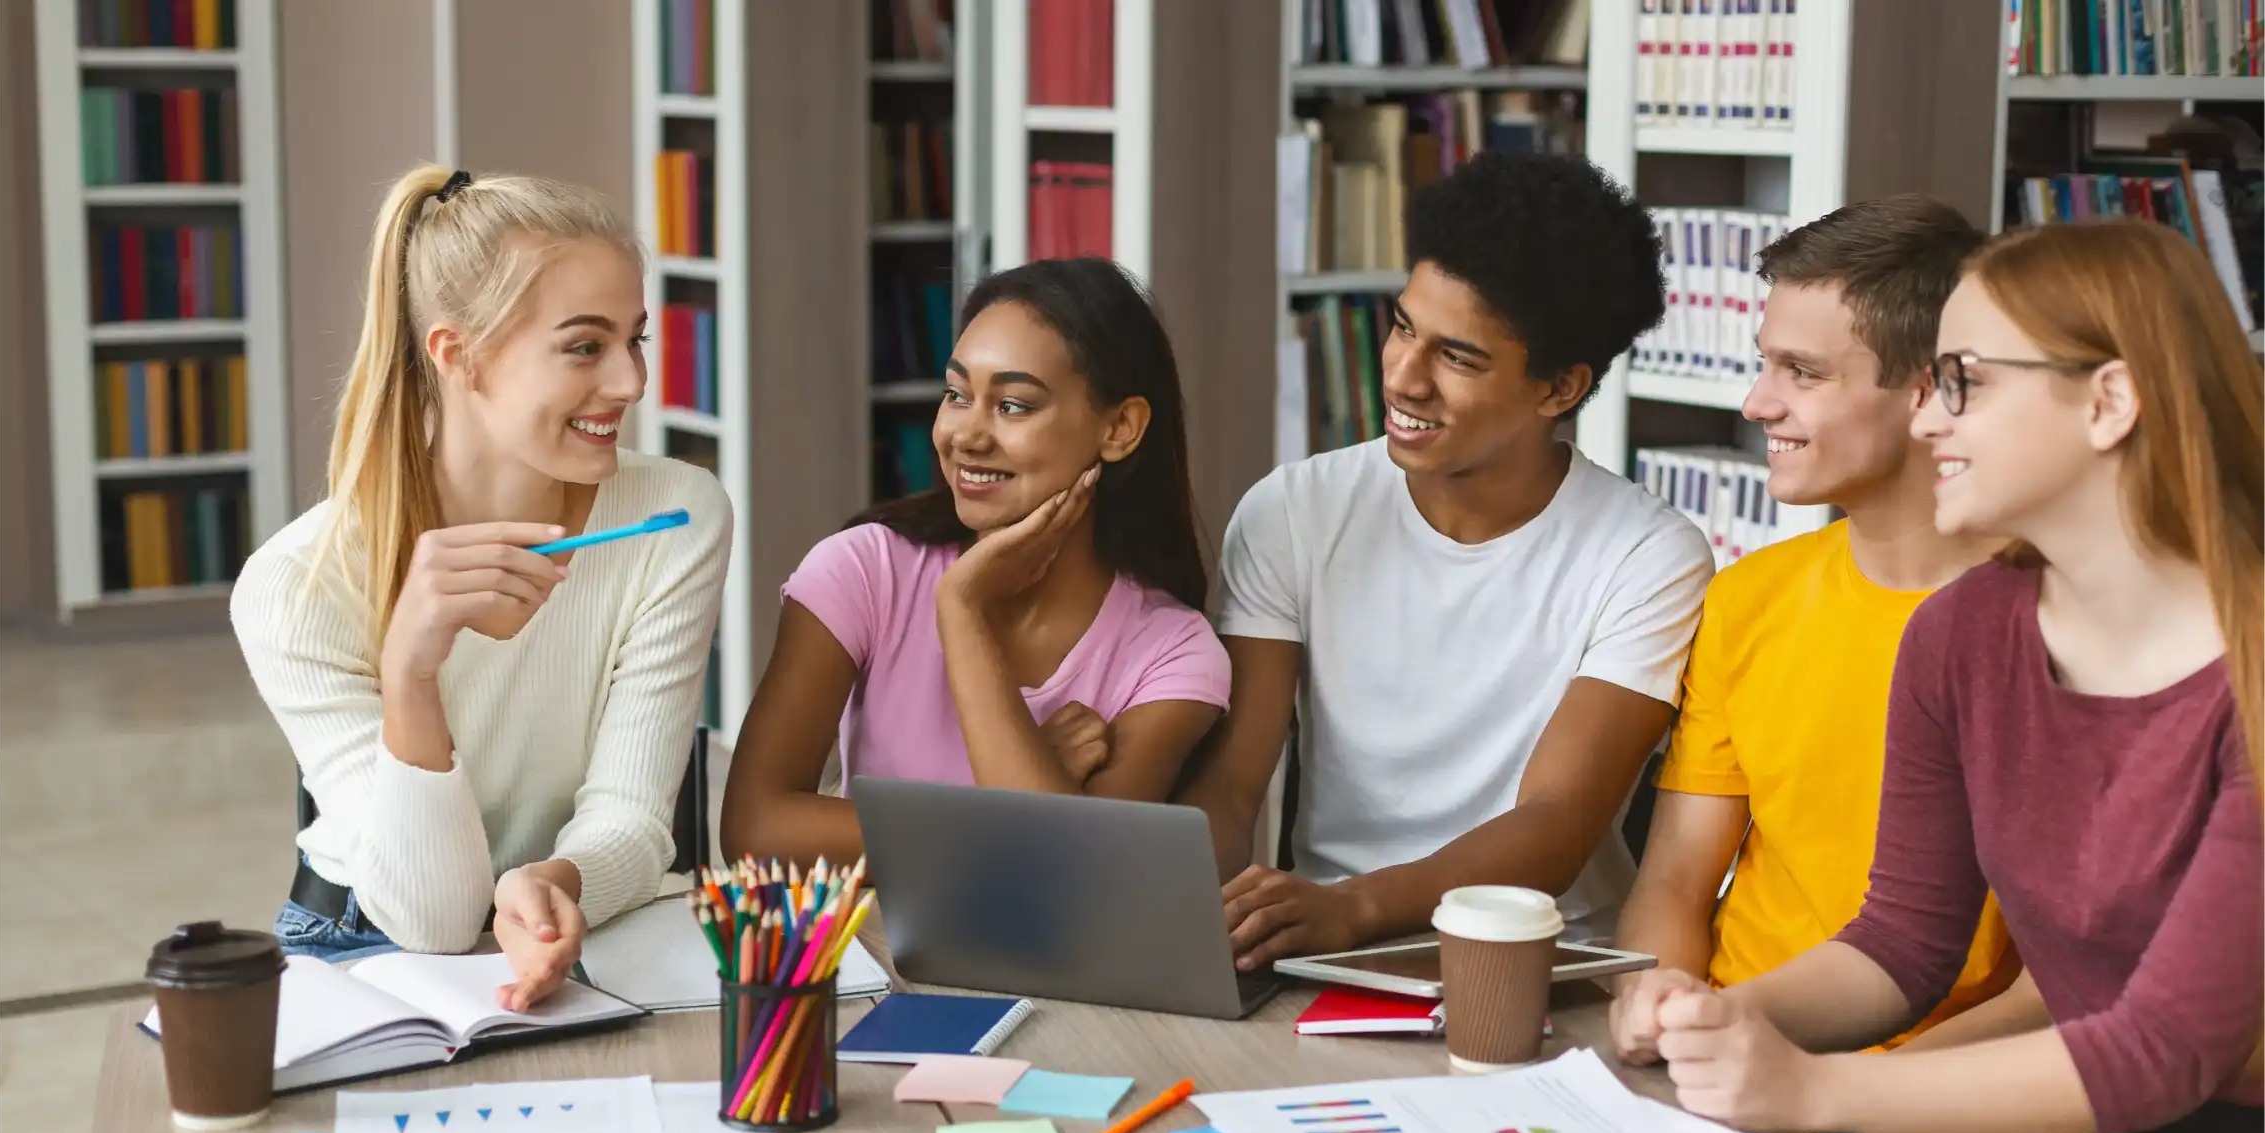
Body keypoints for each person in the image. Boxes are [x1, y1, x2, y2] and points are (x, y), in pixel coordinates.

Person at [1648, 218, 2265, 1133]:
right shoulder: (1963, 633)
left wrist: (1811, 1089)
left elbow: (2162, 1052)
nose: (1925, 414)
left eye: (1962, 381)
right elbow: (1901, 942)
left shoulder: (2244, 670)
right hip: (2079, 1109)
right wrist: (1710, 1019)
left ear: (2108, 402)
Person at [1182, 150, 1714, 969]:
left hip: (1548, 961)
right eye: (1402, 327)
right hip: (1321, 952)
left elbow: (1557, 820)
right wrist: (1197, 929)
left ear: (1559, 389)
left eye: (1457, 357)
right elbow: (1232, 783)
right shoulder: (1293, 510)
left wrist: (1352, 907)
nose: (1402, 376)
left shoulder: (1648, 555)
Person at [233, 166, 730, 1011]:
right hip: (368, 934)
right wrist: (410, 674)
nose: (631, 384)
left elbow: (637, 816)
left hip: (593, 914)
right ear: (456, 353)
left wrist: (551, 884)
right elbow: (430, 919)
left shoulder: (676, 517)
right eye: (585, 346)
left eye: (635, 339)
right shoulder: (294, 586)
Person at [1611, 196, 2021, 1071]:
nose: (1758, 403)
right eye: (1765, 364)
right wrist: (1656, 1004)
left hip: (1945, 1088)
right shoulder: (1747, 599)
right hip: (1733, 1050)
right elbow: (1677, 881)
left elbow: (2066, 988)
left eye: (1803, 372)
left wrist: (1864, 1094)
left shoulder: (2053, 620)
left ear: (1928, 389)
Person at [719, 257, 1230, 868]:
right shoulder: (864, 570)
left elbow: (1069, 877)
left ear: (1120, 426)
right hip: (869, 960)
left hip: (1037, 965)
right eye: (957, 395)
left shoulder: (1172, 653)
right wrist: (988, 816)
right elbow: (756, 828)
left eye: (1013, 405)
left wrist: (963, 609)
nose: (966, 435)